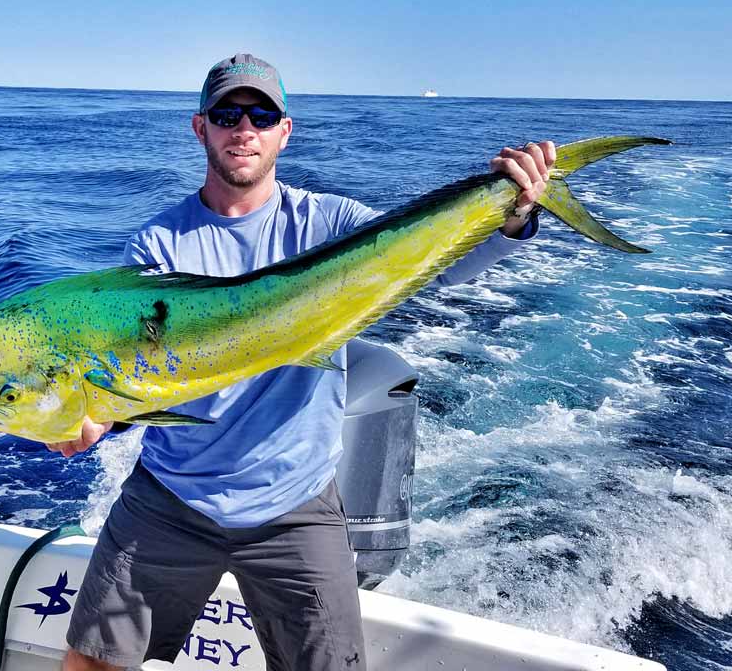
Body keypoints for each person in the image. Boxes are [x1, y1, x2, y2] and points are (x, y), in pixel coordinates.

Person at [51, 53, 556, 671]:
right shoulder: (158, 245)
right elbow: (143, 365)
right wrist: (105, 416)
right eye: (227, 113)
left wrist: (514, 216)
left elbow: (445, 266)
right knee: (91, 663)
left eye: (262, 115)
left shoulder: (331, 224)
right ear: (199, 126)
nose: (245, 129)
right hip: (173, 497)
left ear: (284, 131)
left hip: (295, 501)